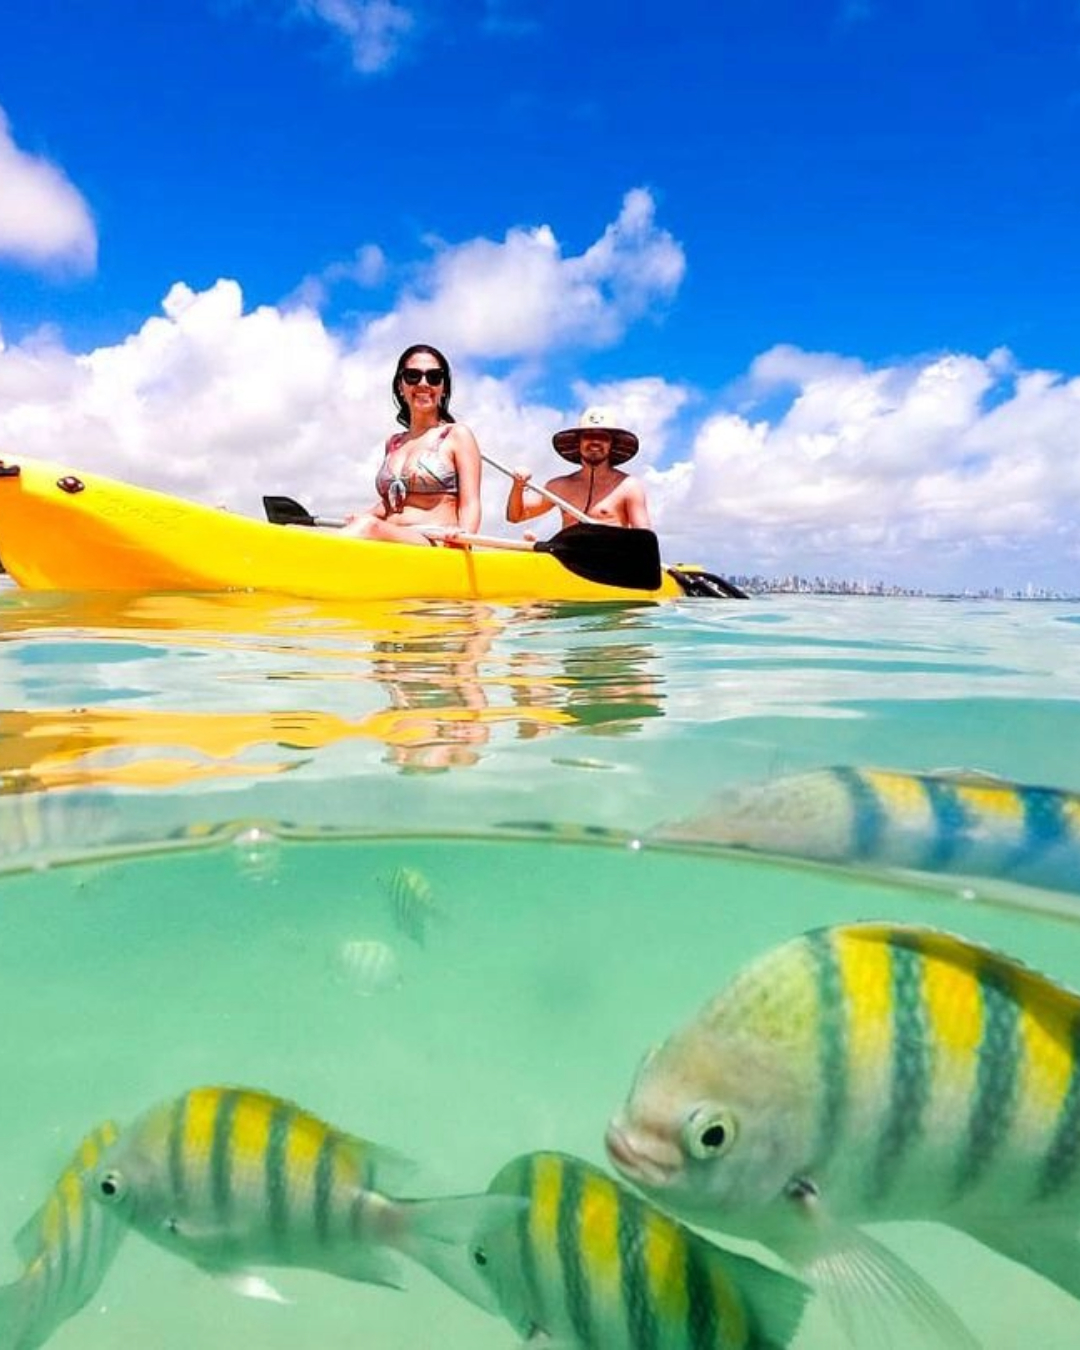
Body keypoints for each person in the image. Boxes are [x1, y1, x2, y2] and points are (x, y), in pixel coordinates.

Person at [343, 344, 482, 545]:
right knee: (364, 525)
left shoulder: (457, 435)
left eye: (434, 377)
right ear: (400, 386)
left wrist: (464, 538)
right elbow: (392, 503)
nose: (423, 383)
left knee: (368, 527)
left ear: (443, 388)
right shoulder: (393, 443)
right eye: (413, 376)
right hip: (392, 538)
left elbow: (471, 502)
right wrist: (362, 516)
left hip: (435, 542)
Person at [505, 406, 651, 533]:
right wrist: (518, 486)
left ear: (611, 444)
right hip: (566, 558)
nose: (595, 441)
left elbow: (644, 538)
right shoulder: (559, 486)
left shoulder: (629, 486)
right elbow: (515, 516)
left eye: (602, 436)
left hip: (609, 560)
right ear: (579, 442)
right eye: (589, 436)